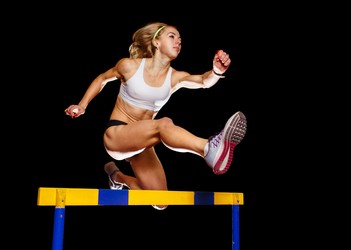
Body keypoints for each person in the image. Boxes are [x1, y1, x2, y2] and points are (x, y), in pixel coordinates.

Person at [64, 22, 247, 210]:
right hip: (117, 135)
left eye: (180, 39)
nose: (178, 42)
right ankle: (208, 148)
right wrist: (82, 105)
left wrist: (216, 71)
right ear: (156, 42)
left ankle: (116, 176)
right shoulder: (129, 66)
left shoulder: (174, 77)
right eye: (172, 36)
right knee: (164, 124)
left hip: (143, 142)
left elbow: (202, 81)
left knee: (160, 201)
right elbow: (102, 78)